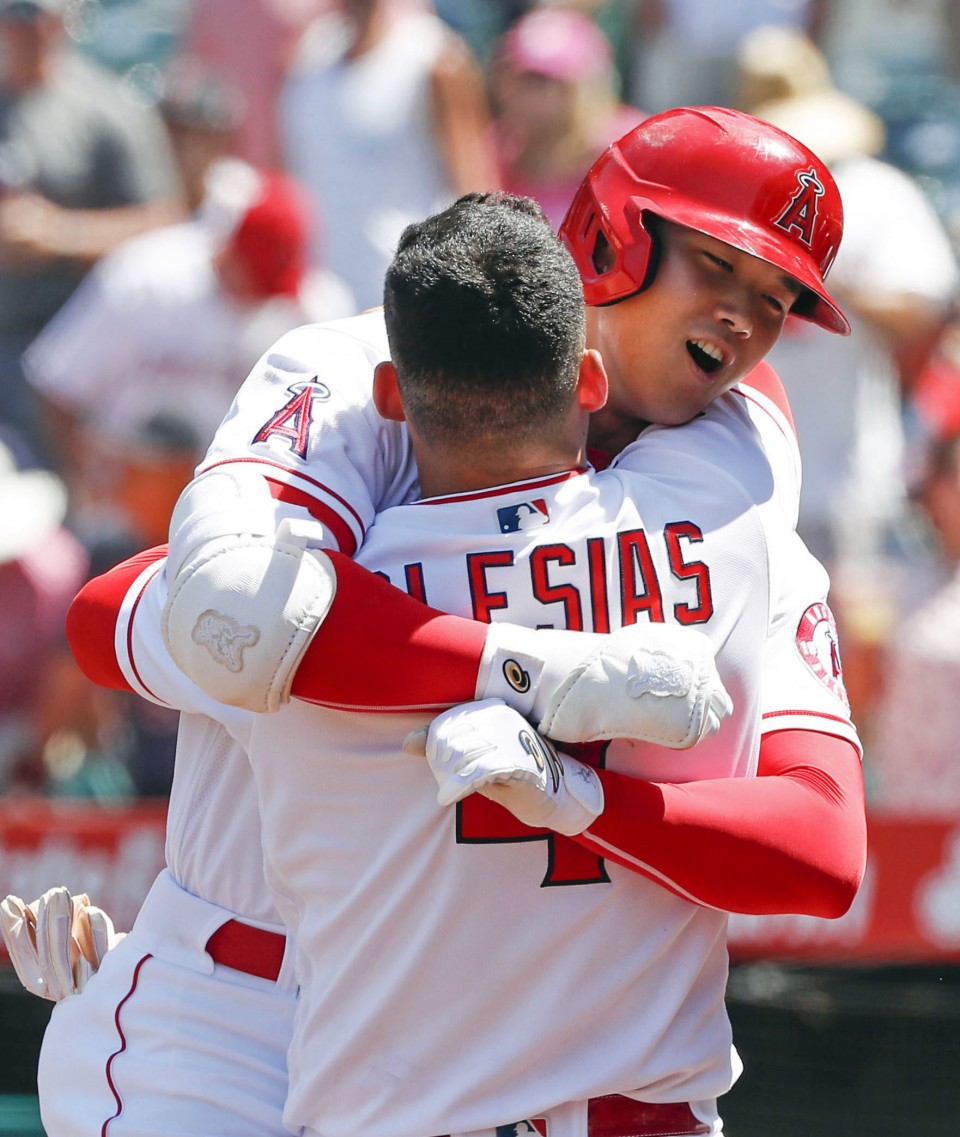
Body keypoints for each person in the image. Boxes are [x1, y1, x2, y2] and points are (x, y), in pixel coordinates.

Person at [10, 108, 866, 1133]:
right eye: (717, 267)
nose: (742, 318)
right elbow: (197, 617)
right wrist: (530, 669)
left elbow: (820, 844)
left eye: (774, 298)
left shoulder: (737, 472)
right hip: (245, 1003)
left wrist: (582, 796)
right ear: (609, 235)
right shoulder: (386, 376)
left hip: (493, 1052)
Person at [22, 158, 353, 545]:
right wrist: (79, 485)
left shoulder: (315, 310)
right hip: (125, 499)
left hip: (238, 513)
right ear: (224, 248)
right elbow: (57, 385)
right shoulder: (146, 278)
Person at [0, 0, 182, 465]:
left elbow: (166, 221)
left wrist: (62, 234)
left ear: (61, 20)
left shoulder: (107, 108)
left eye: (31, 13)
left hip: (69, 350)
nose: (21, 26)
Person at [278, 0, 501, 308]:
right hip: (315, 303)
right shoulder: (306, 55)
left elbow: (477, 195)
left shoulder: (435, 57)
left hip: (410, 306)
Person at [490, 5, 645, 228]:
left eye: (543, 80)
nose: (528, 94)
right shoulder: (495, 151)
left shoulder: (629, 148)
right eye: (519, 78)